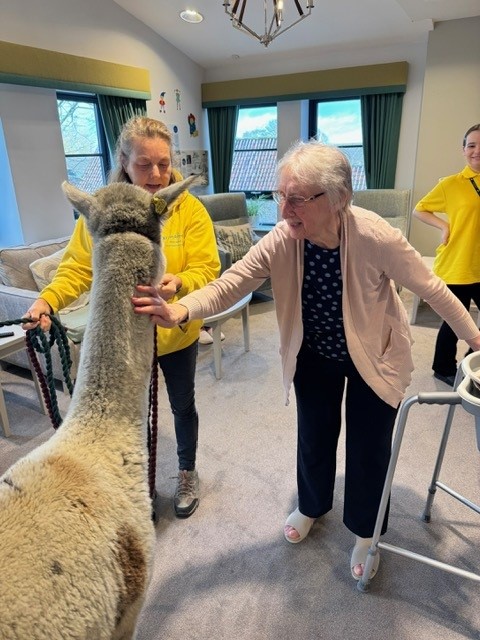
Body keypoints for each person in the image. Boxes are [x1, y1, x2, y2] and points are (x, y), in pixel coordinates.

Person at [131, 140, 480, 580]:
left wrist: (475, 337)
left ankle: (367, 532)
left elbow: (433, 288)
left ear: (338, 199)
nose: (284, 210)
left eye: (297, 198)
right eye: (281, 196)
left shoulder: (376, 236)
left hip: (375, 353)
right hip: (314, 351)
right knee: (314, 434)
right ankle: (312, 505)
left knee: (369, 446)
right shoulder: (283, 238)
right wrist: (181, 310)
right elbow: (233, 281)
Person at [23, 116, 221, 519]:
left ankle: (186, 471)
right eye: (145, 164)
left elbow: (209, 267)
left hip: (176, 333)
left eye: (163, 164)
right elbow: (77, 268)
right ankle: (137, 482)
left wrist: (178, 282)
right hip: (124, 341)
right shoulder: (100, 210)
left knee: (183, 406)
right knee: (130, 413)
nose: (156, 174)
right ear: (124, 161)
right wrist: (48, 301)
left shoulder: (189, 210)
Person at [413, 123, 480, 386]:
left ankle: (470, 360)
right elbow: (420, 209)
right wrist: (444, 226)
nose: (477, 151)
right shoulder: (451, 184)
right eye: (471, 145)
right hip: (458, 265)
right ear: (463, 150)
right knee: (456, 322)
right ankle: (443, 367)